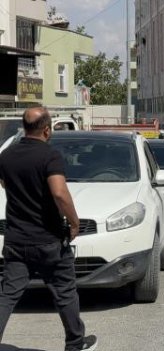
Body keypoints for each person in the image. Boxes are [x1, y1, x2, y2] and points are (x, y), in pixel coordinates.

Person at [0, 107, 97, 351]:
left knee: (7, 294)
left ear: (24, 127)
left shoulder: (7, 155)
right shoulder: (50, 156)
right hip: (48, 240)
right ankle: (75, 343)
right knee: (65, 292)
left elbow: (6, 184)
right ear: (46, 129)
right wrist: (74, 223)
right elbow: (59, 193)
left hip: (15, 239)